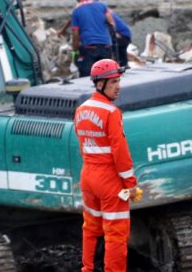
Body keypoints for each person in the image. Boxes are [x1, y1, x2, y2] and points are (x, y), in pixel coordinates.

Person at [75, 59, 140, 272]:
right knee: (116, 234)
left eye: (118, 81)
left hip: (88, 176)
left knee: (91, 228)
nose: (118, 86)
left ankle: (87, 269)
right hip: (109, 180)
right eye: (113, 82)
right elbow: (120, 151)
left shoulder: (82, 109)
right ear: (100, 84)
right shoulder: (111, 112)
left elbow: (82, 142)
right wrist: (130, 184)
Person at [71, 0, 117, 77]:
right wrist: (111, 41)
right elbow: (112, 23)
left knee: (87, 77)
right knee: (106, 77)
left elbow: (76, 35)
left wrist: (74, 51)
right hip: (106, 46)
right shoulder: (101, 6)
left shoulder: (76, 11)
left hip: (89, 47)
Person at [90, 0, 132, 66]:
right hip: (124, 35)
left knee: (117, 56)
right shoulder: (102, 8)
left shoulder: (100, 11)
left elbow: (111, 26)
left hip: (122, 36)